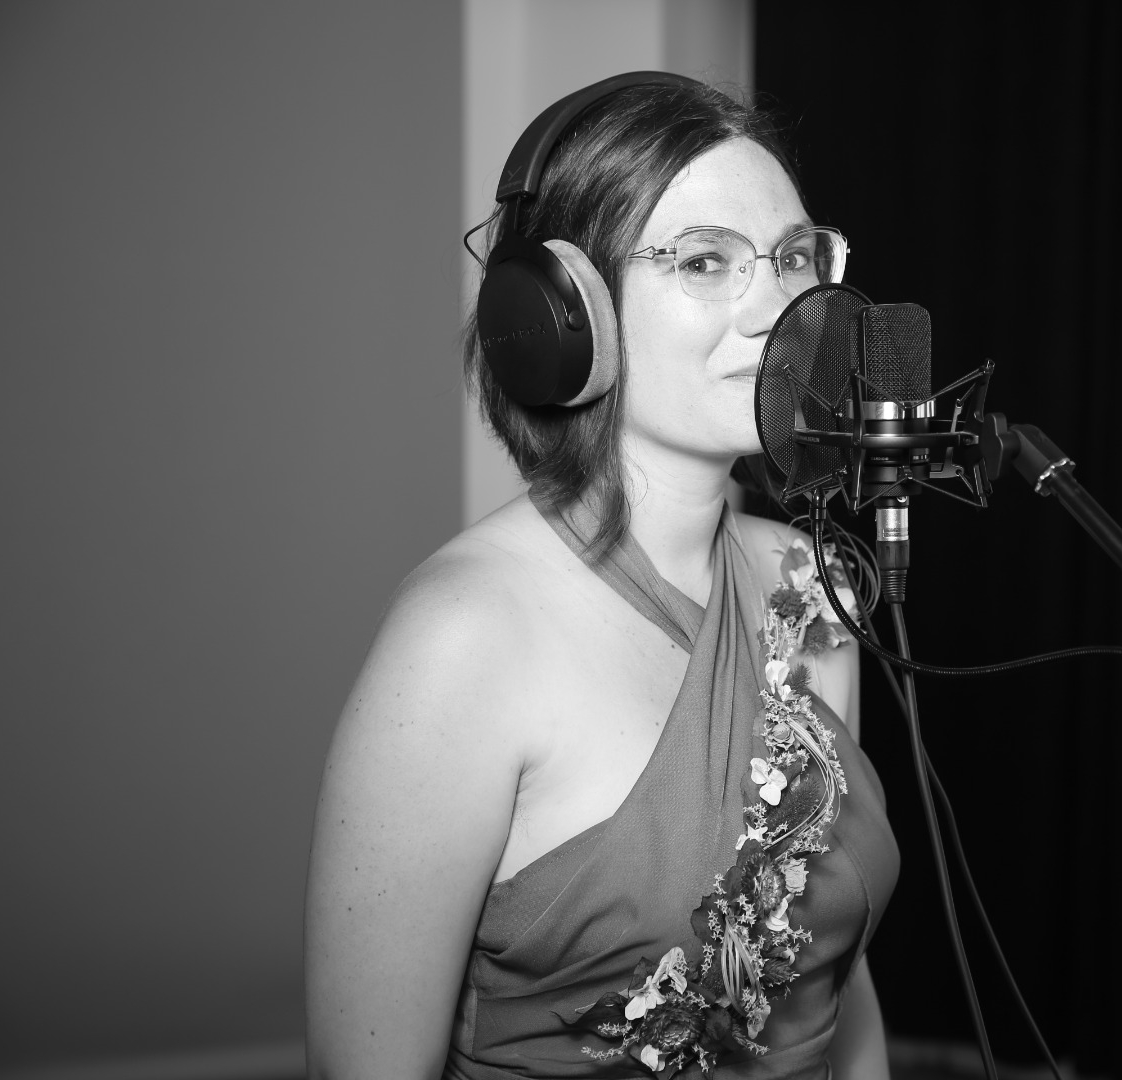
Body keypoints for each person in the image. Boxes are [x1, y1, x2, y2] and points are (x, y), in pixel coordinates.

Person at [304, 73, 899, 1080]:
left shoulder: (812, 584)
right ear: (563, 312)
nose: (782, 309)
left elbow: (832, 977)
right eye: (706, 261)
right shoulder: (463, 637)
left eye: (795, 259)